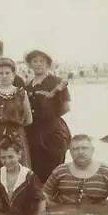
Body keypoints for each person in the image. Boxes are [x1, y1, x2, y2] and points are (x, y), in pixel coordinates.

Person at [24, 49, 71, 182]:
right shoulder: (28, 84)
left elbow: (66, 107)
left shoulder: (57, 82)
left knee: (54, 165)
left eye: (42, 61)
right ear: (30, 64)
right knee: (35, 164)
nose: (38, 64)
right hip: (32, 130)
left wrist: (50, 115)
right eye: (35, 61)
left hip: (53, 130)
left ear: (48, 63)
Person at [42, 134, 108, 210]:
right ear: (70, 152)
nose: (80, 152)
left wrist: (104, 213)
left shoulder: (106, 173)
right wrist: (56, 211)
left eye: (84, 148)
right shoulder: (60, 171)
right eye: (76, 149)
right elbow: (44, 196)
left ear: (92, 150)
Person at [0, 139, 45, 215]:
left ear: (19, 155)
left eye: (10, 157)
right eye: (3, 158)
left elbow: (41, 199)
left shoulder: (29, 176)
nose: (7, 161)